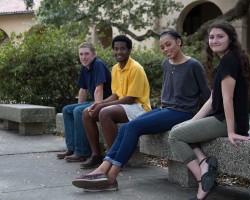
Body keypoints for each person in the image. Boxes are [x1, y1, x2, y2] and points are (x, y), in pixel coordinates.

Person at [71, 30, 211, 192]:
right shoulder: (166, 64)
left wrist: (202, 121)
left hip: (184, 113)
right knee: (124, 128)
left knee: (132, 127)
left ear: (179, 42)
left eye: (168, 44)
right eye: (161, 47)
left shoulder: (193, 65)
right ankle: (102, 169)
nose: (165, 49)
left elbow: (207, 95)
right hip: (166, 109)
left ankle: (110, 178)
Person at [168, 21, 250, 200]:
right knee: (180, 129)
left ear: (230, 39)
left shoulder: (229, 60)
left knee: (175, 136)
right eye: (211, 37)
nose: (214, 40)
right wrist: (193, 121)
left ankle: (203, 182)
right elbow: (212, 99)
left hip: (228, 121)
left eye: (220, 36)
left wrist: (231, 131)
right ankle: (204, 163)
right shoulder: (227, 59)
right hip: (223, 118)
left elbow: (228, 99)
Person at [79, 35, 151, 169]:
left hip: (139, 108)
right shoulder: (115, 68)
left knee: (105, 113)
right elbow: (116, 95)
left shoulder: (136, 68)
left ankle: (114, 159)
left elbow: (130, 99)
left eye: (123, 49)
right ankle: (96, 155)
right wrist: (98, 104)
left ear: (129, 50)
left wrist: (103, 105)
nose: (119, 52)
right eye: (116, 49)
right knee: (87, 112)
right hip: (123, 105)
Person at [57, 42, 112, 161]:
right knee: (67, 110)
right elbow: (83, 90)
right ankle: (71, 148)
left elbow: (99, 89)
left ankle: (82, 152)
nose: (83, 57)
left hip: (106, 102)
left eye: (87, 54)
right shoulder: (85, 67)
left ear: (94, 54)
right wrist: (79, 107)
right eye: (81, 54)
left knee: (78, 111)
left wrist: (96, 108)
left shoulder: (98, 65)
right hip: (95, 101)